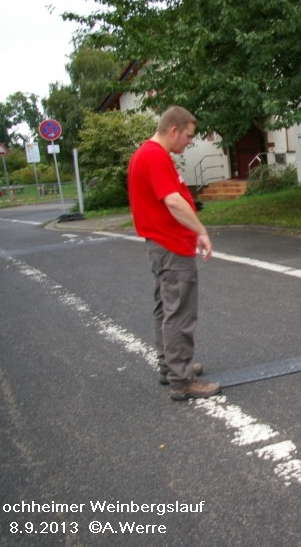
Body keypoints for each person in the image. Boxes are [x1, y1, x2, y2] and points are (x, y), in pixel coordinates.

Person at [127, 106, 221, 401]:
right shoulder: (154, 156)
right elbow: (174, 201)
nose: (189, 142)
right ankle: (181, 379)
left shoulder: (147, 154)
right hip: (170, 247)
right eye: (188, 136)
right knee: (179, 312)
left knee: (166, 309)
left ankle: (170, 365)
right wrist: (201, 231)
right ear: (173, 130)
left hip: (162, 245)